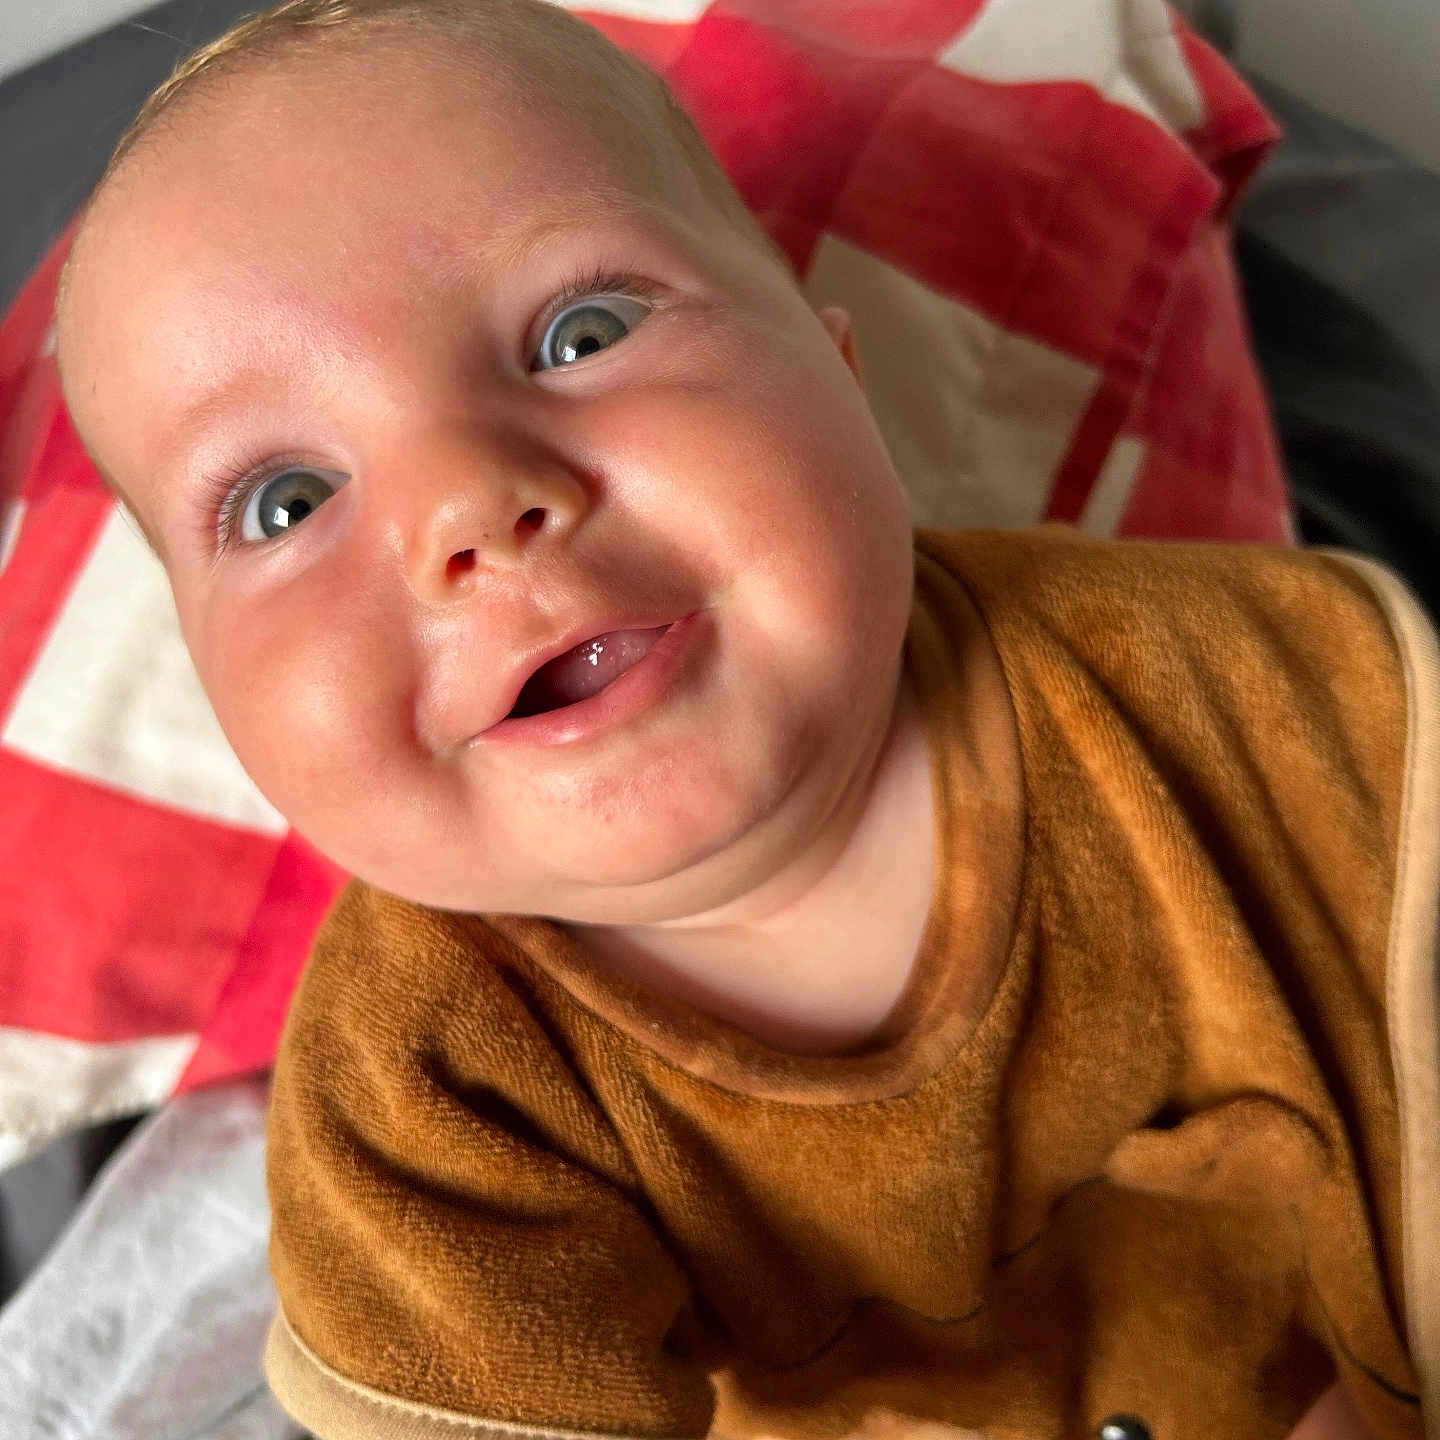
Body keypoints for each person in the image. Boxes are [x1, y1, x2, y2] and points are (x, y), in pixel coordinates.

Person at [52, 1, 1438, 1437]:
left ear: (840, 374)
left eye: (578, 333)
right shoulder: (428, 1104)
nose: (467, 503)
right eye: (286, 500)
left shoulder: (1242, 695)